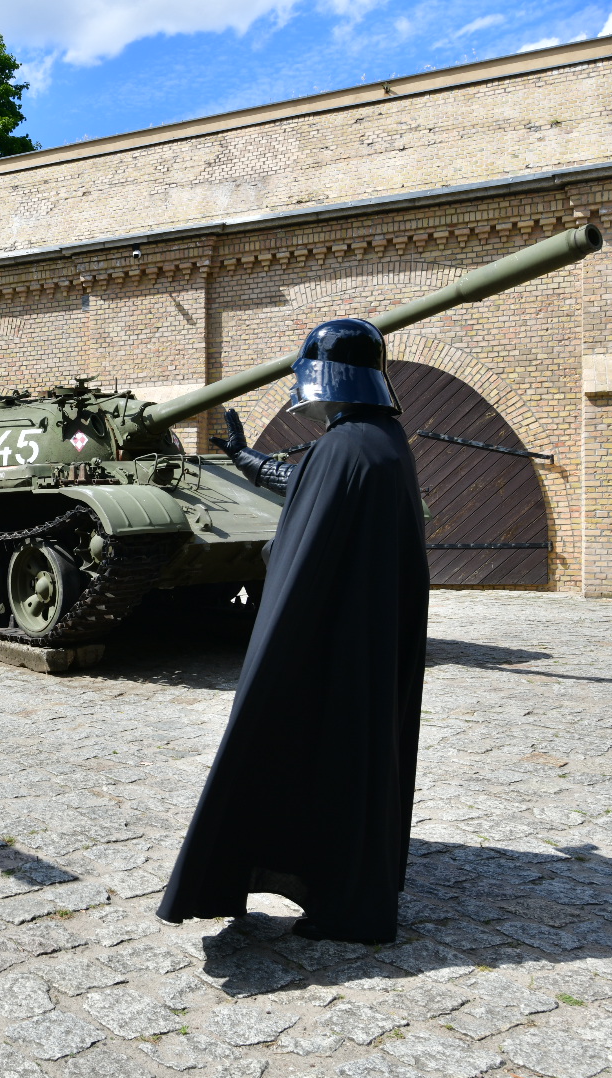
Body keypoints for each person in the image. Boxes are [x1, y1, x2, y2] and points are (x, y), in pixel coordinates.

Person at [156, 318, 429, 943]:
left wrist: (277, 649)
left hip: (334, 643)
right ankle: (342, 874)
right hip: (363, 642)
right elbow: (306, 485)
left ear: (326, 383)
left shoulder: (344, 448)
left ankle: (336, 894)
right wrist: (242, 458)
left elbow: (304, 531)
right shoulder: (379, 441)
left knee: (304, 747)